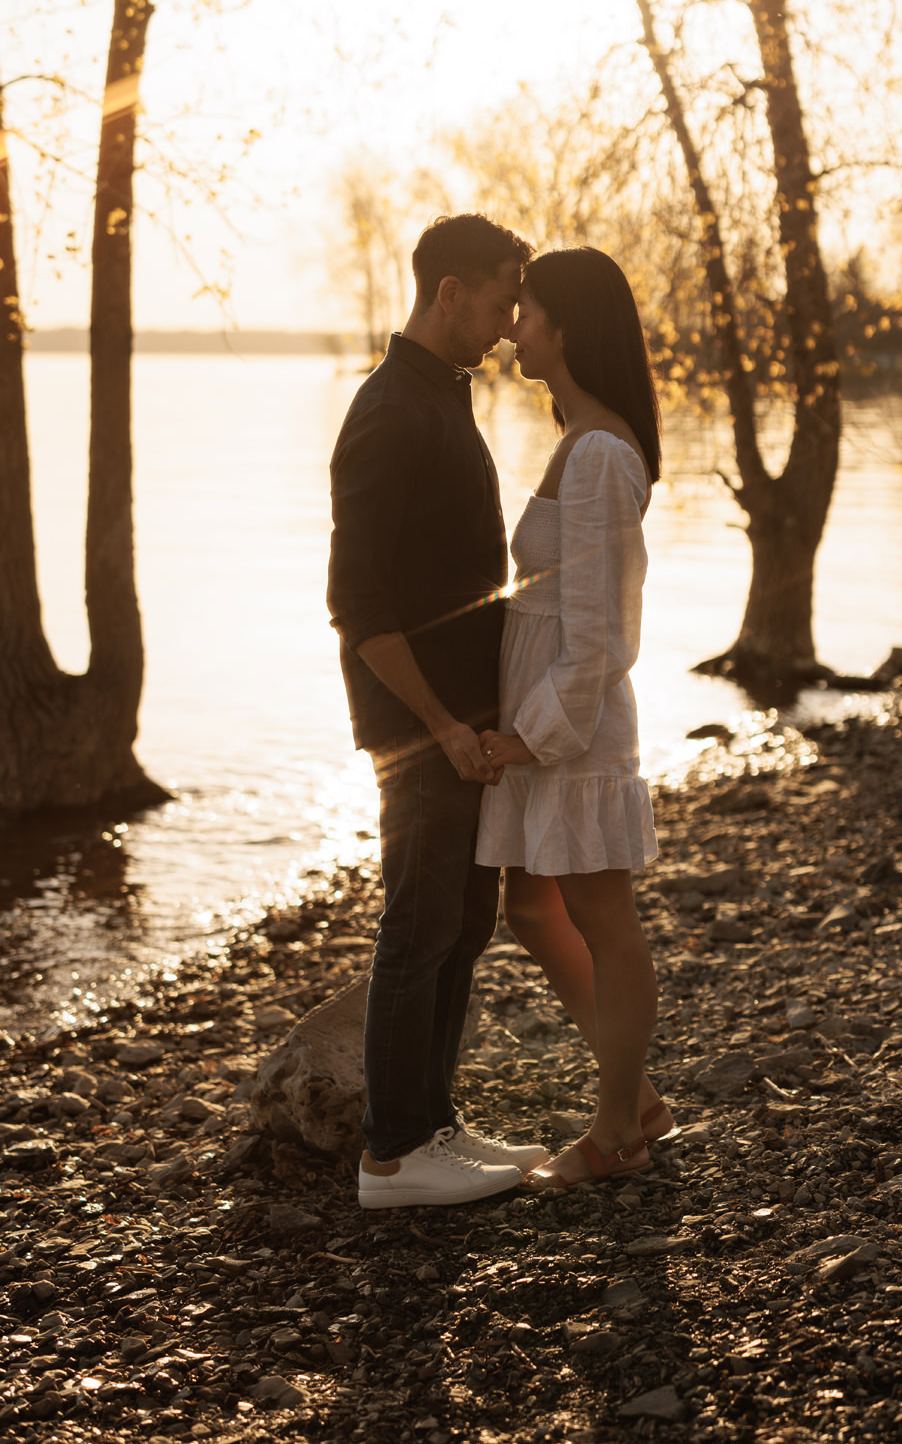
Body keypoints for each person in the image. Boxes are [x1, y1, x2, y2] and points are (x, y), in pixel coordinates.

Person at [327, 212, 549, 1209]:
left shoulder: (442, 397)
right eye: (504, 298)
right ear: (450, 292)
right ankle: (390, 1153)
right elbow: (358, 604)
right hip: (421, 730)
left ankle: (434, 1123)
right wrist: (443, 725)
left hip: (466, 721)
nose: (511, 323)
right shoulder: (388, 412)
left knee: (464, 921)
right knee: (418, 923)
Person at [475, 246, 671, 1189]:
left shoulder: (598, 454)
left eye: (530, 310)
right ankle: (633, 1094)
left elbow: (600, 634)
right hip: (556, 721)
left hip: (575, 725)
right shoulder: (585, 438)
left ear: (569, 327)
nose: (515, 324)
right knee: (533, 904)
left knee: (602, 913)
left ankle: (615, 1132)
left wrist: (531, 734)